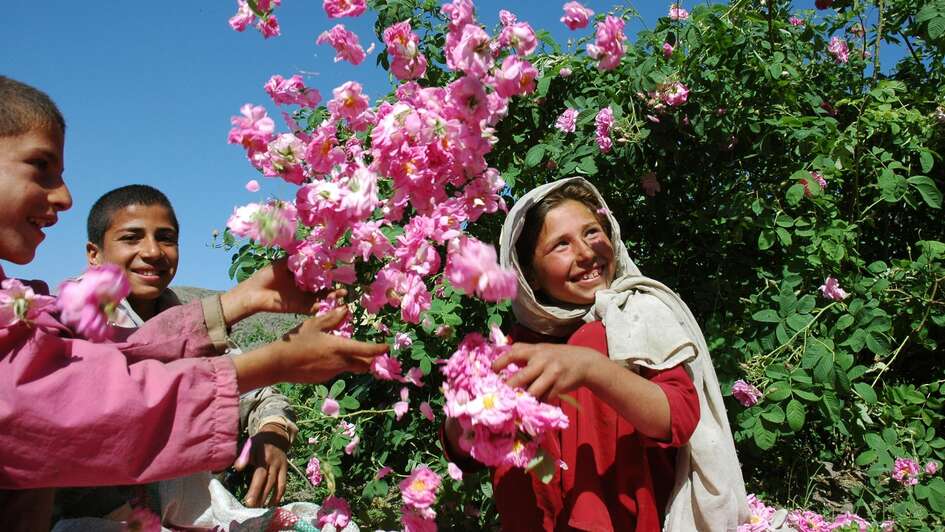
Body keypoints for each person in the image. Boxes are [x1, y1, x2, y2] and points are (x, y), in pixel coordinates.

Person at [0, 76, 386, 531]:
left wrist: (239, 304)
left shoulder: (154, 313)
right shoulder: (65, 315)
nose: (63, 195)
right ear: (94, 254)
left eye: (166, 239)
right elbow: (87, 397)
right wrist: (272, 360)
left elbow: (119, 359)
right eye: (40, 166)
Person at [444, 177, 748, 531]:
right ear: (531, 276)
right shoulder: (516, 347)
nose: (587, 253)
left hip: (628, 521)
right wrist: (465, 418)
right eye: (561, 245)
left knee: (591, 339)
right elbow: (467, 454)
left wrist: (591, 367)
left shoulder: (638, 312)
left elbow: (677, 418)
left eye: (591, 232)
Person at [53, 185, 298, 522]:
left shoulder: (190, 321)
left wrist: (273, 430)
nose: (153, 251)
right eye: (131, 238)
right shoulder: (70, 325)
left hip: (190, 515)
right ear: (94, 254)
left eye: (166, 238)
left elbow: (257, 394)